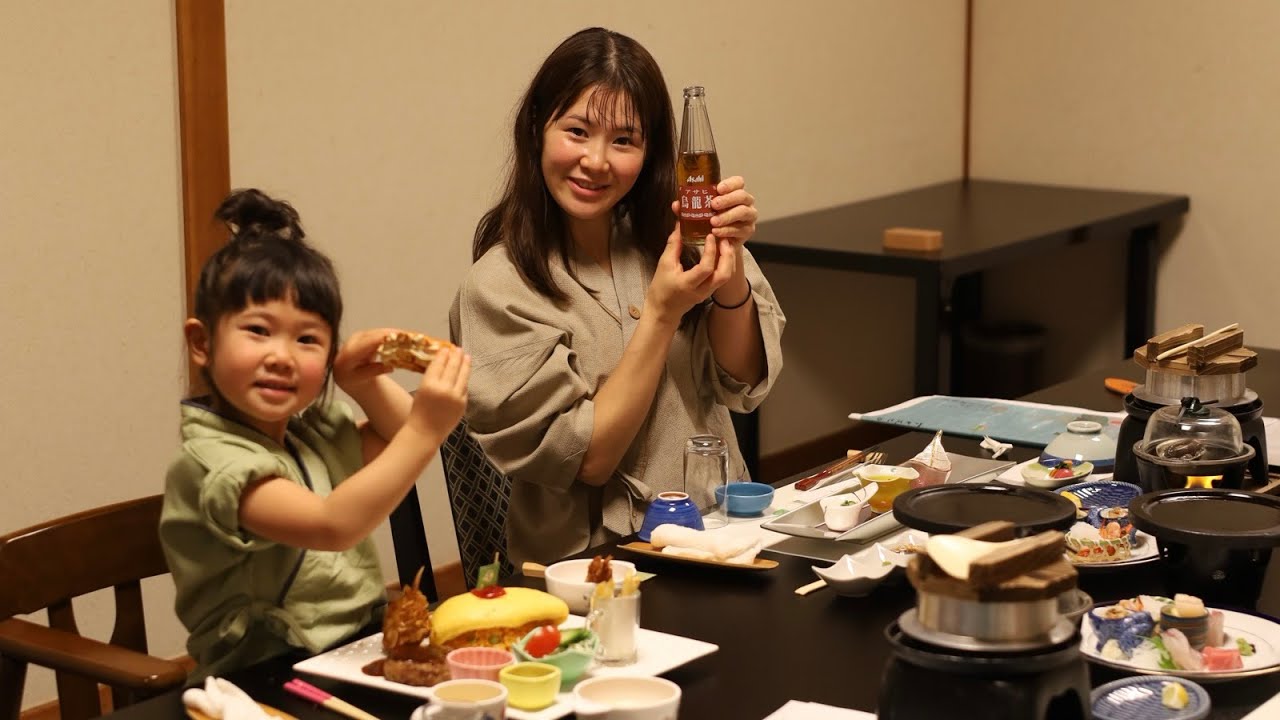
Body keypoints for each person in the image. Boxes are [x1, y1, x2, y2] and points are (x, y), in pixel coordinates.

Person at [450, 27, 785, 566]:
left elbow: (744, 382)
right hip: (593, 568)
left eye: (624, 140)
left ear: (650, 151)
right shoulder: (498, 287)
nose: (597, 161)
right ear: (536, 128)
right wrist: (661, 313)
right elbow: (588, 459)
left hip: (717, 534)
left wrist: (729, 266)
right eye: (577, 131)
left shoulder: (668, 238)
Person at [160, 189, 470, 680]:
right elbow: (332, 526)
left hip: (350, 648)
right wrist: (427, 427)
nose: (282, 356)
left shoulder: (309, 436)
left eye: (307, 339)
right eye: (258, 330)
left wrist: (362, 383)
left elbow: (398, 437)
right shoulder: (213, 463)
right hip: (261, 674)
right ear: (202, 343)